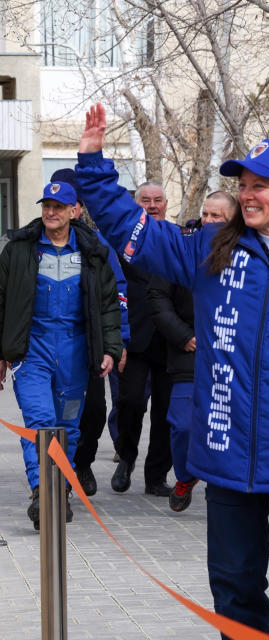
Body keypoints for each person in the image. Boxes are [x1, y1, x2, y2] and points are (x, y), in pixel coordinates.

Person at [76, 103, 269, 639]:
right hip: (226, 450)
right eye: (244, 182)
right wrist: (93, 164)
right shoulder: (211, 251)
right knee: (235, 586)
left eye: (263, 184)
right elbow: (133, 227)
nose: (248, 193)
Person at [0, 180, 122, 529]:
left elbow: (109, 307)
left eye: (58, 207)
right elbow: (1, 299)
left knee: (67, 425)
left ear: (74, 211)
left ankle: (61, 488)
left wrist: (112, 349)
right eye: (46, 206)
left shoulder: (93, 253)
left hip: (75, 352)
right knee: (40, 423)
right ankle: (43, 491)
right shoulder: (20, 249)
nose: (50, 213)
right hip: (33, 350)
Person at [148, 191, 237, 512]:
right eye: (206, 215)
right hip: (189, 353)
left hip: (230, 358)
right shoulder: (185, 248)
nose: (209, 222)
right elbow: (158, 298)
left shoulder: (247, 255)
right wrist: (184, 336)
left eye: (218, 217)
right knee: (183, 424)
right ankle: (185, 476)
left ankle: (227, 489)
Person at [48, 167, 130, 498]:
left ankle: (82, 462)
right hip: (46, 350)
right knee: (52, 415)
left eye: (73, 203)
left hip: (89, 348)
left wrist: (118, 343)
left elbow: (117, 295)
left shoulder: (99, 247)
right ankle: (54, 480)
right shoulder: (32, 243)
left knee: (93, 412)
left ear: (78, 208)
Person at [111, 181, 174, 497]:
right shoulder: (124, 240)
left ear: (166, 203)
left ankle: (156, 476)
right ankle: (126, 457)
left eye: (157, 200)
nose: (152, 205)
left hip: (171, 340)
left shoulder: (179, 239)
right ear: (137, 205)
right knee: (130, 403)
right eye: (145, 200)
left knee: (166, 411)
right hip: (133, 337)